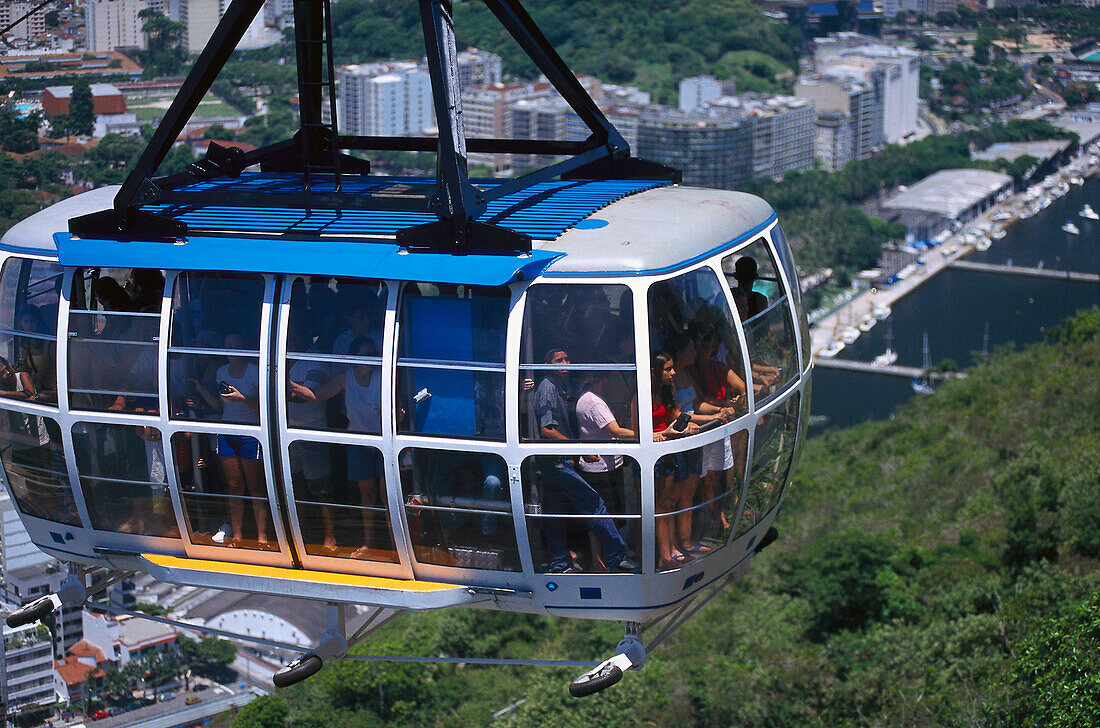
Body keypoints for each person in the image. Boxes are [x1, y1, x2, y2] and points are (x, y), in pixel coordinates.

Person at [531, 348, 637, 573]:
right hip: (556, 462)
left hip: (555, 462)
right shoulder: (549, 389)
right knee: (594, 503)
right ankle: (617, 557)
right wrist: (578, 452)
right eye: (558, 360)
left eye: (567, 358)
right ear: (547, 364)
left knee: (556, 515)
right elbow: (547, 431)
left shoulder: (558, 388)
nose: (565, 362)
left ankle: (559, 564)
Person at [302, 336, 389, 559]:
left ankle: (397, 547)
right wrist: (290, 385)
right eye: (363, 355)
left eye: (372, 354)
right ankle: (369, 544)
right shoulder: (345, 377)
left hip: (385, 443)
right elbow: (317, 395)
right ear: (353, 358)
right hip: (359, 443)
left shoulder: (385, 376)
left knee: (387, 496)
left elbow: (400, 407)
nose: (368, 359)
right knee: (367, 496)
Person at [188, 333, 269, 548]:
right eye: (229, 346)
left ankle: (262, 537)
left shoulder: (254, 372)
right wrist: (199, 388)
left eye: (237, 346)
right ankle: (238, 535)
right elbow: (218, 406)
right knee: (234, 485)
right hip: (227, 432)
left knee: (255, 487)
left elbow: (264, 409)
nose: (233, 350)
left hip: (251, 433)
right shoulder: (221, 372)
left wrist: (242, 399)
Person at [576, 372, 636, 557]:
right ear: (601, 379)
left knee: (604, 514)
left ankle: (610, 554)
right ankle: (603, 559)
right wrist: (647, 435)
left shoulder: (586, 398)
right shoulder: (594, 402)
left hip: (603, 465)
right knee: (603, 516)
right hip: (600, 468)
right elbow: (614, 430)